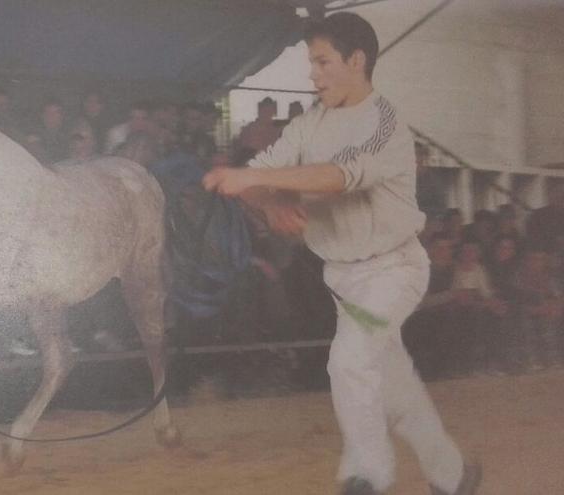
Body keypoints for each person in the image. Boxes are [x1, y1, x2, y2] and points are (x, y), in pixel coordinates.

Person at [202, 13, 479, 495]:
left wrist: (253, 181)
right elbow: (260, 174)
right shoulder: (310, 124)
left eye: (322, 61)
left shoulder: (385, 123)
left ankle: (366, 477)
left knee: (349, 361)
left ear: (356, 61)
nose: (313, 73)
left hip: (392, 272)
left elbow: (338, 176)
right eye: (312, 62)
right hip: (343, 282)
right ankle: (453, 476)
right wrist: (268, 202)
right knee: (393, 385)